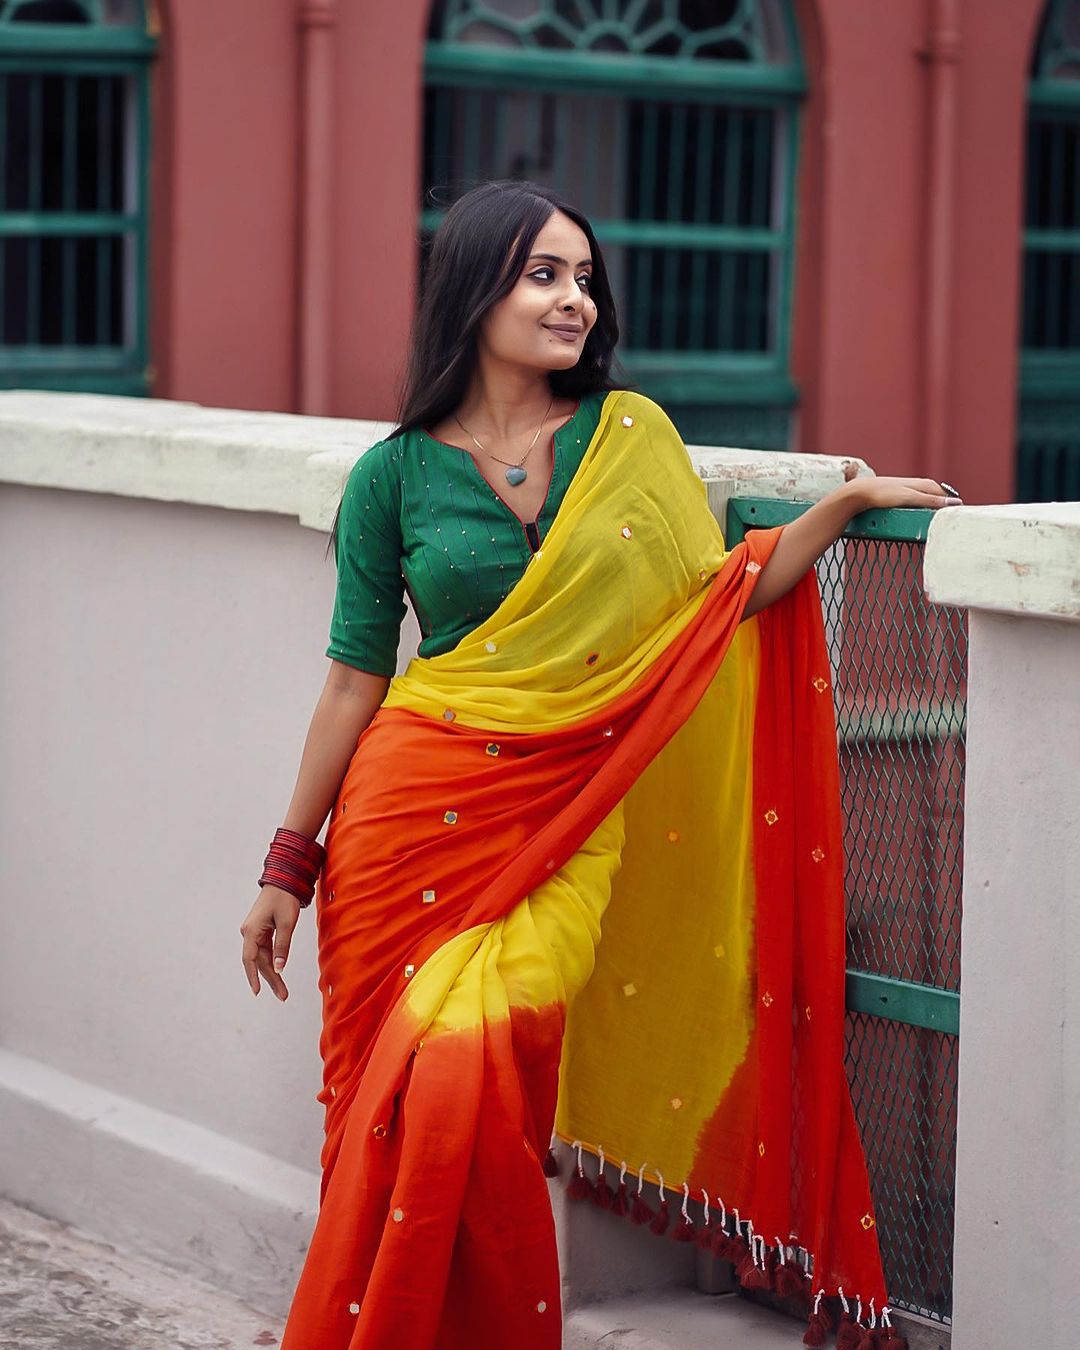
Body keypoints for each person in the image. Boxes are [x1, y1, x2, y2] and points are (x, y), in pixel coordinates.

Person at [239, 179, 959, 1350]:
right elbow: (354, 681)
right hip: (404, 814)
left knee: (473, 1067)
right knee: (383, 1105)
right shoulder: (393, 477)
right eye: (542, 275)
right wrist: (288, 863)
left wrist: (843, 509)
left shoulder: (630, 439)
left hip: (567, 811)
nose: (573, 298)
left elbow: (711, 602)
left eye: (583, 278)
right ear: (475, 292)